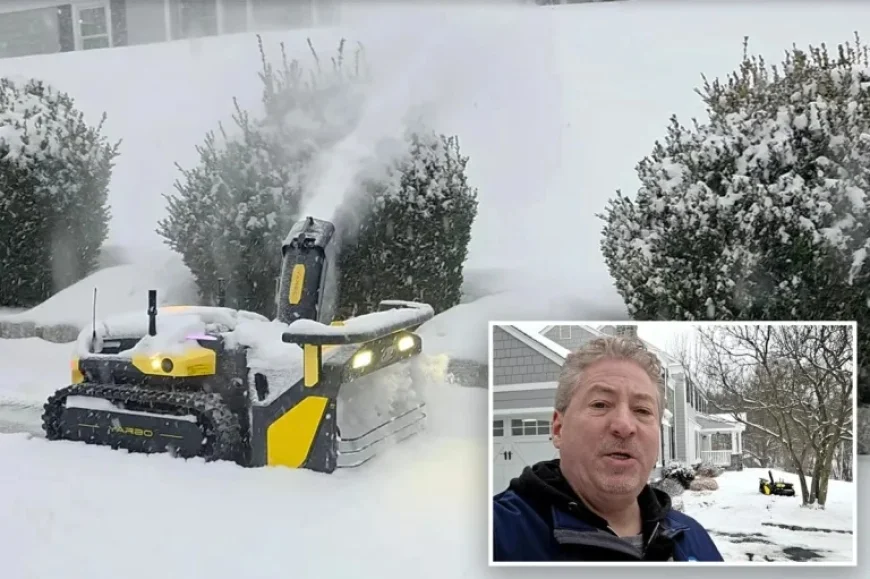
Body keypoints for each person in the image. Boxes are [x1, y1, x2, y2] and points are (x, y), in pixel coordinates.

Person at [492, 335, 724, 562]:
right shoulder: (493, 535)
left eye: (642, 410)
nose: (624, 426)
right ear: (558, 429)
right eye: (600, 404)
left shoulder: (694, 540)